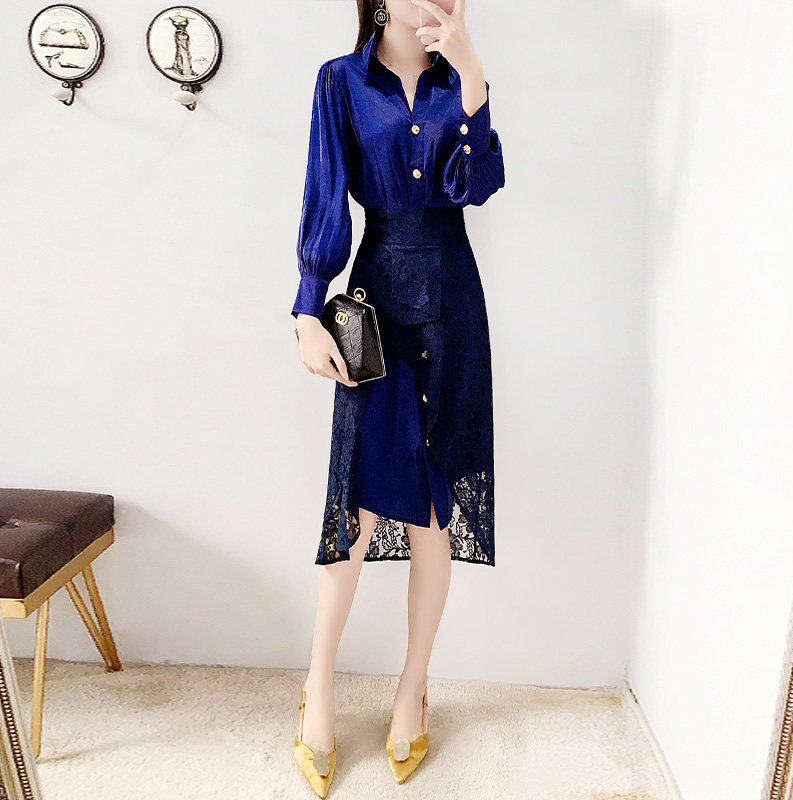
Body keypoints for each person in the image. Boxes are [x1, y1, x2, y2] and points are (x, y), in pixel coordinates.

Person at [290, 0, 505, 794]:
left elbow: (478, 186)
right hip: (375, 301)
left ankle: (413, 687)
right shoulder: (341, 82)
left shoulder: (461, 82)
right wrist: (307, 311)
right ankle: (318, 686)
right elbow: (326, 192)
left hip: (452, 303)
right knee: (354, 503)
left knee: (433, 509)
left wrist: (473, 75)